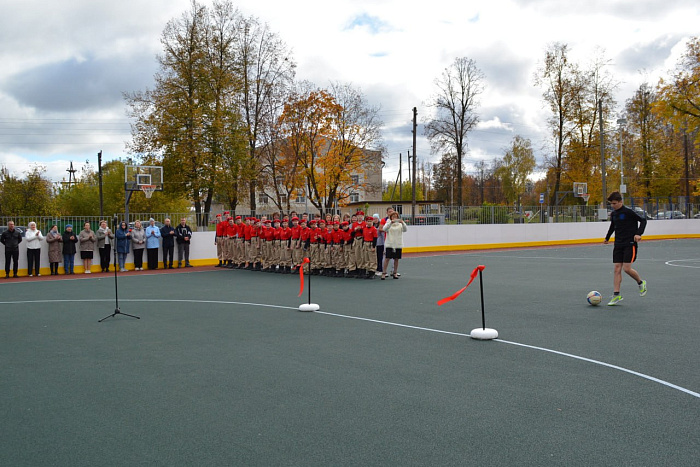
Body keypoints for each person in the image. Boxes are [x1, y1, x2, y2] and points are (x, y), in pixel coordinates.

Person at [604, 191, 647, 305]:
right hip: (618, 244)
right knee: (617, 269)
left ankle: (640, 282)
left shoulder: (628, 212)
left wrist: (638, 234)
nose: (613, 205)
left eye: (614, 203)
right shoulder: (614, 214)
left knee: (627, 269)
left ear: (620, 202)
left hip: (629, 243)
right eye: (611, 204)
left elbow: (643, 220)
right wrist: (607, 238)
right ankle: (616, 295)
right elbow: (612, 226)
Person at [382, 212, 407, 280]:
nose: (395, 218)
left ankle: (395, 272)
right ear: (391, 217)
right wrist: (390, 223)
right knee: (387, 258)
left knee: (396, 259)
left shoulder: (400, 224)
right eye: (393, 216)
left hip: (398, 244)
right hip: (390, 243)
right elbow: (384, 229)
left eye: (396, 216)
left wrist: (403, 223)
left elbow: (405, 230)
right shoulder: (388, 223)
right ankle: (384, 273)